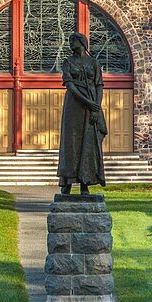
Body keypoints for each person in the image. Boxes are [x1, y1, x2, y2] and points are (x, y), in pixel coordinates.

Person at [57, 32, 107, 194]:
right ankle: (67, 183)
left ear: (82, 43)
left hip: (91, 105)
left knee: (89, 142)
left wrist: (96, 107)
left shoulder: (94, 63)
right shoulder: (68, 62)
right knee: (71, 143)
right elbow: (70, 86)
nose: (71, 43)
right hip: (74, 105)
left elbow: (99, 85)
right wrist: (89, 103)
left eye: (74, 41)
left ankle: (86, 182)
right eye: (70, 41)